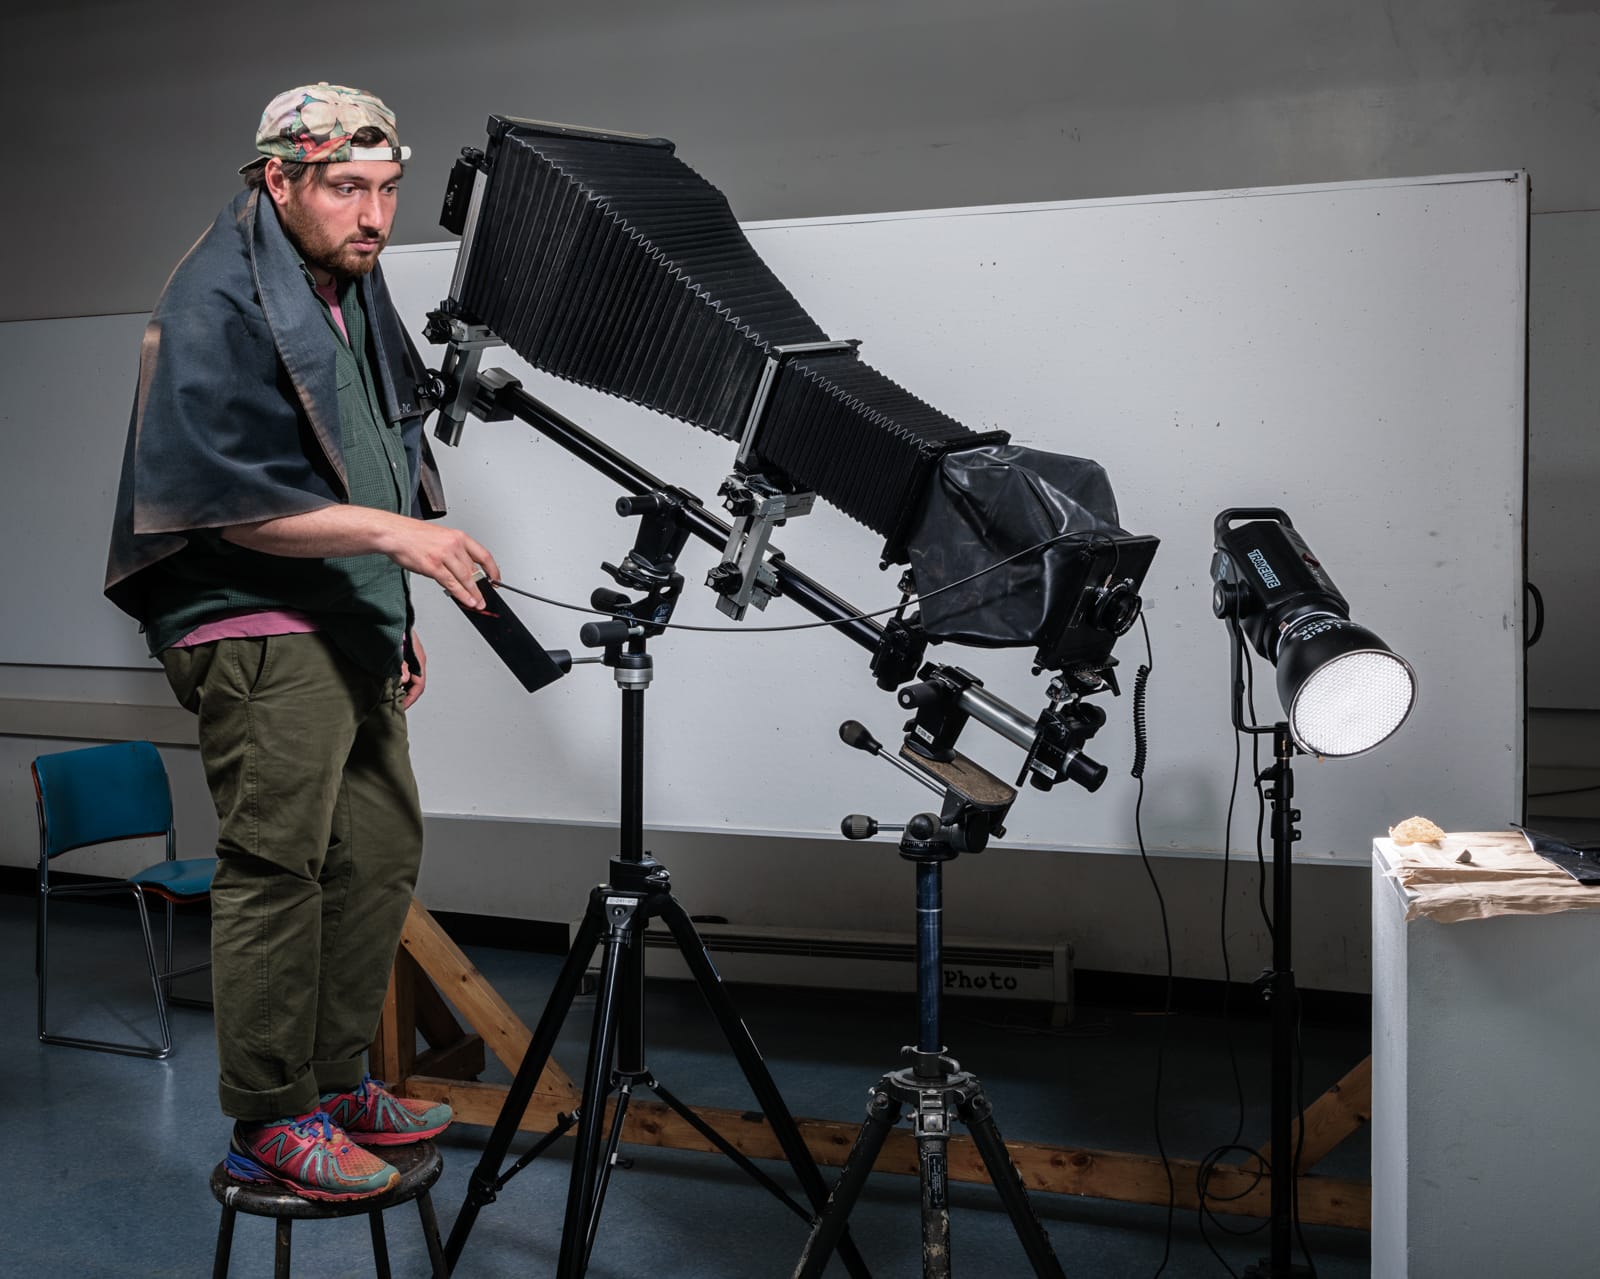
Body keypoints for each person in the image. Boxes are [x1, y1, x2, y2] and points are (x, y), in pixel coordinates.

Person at [105, 83, 496, 1202]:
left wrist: (397, 605)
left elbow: (380, 446)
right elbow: (216, 499)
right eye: (345, 190)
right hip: (256, 619)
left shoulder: (346, 287)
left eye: (386, 192)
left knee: (375, 854)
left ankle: (333, 1085)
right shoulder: (215, 298)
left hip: (347, 614)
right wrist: (400, 542)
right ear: (279, 179)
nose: (372, 216)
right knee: (279, 866)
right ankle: (267, 1122)